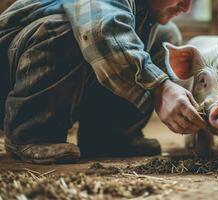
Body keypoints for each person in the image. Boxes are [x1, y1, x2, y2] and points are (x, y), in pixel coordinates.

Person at [0, 0, 205, 164]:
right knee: (73, 27)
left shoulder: (146, 14)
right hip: (7, 82)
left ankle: (108, 136)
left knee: (165, 35)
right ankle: (32, 133)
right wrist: (161, 87)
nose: (186, 7)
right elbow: (100, 31)